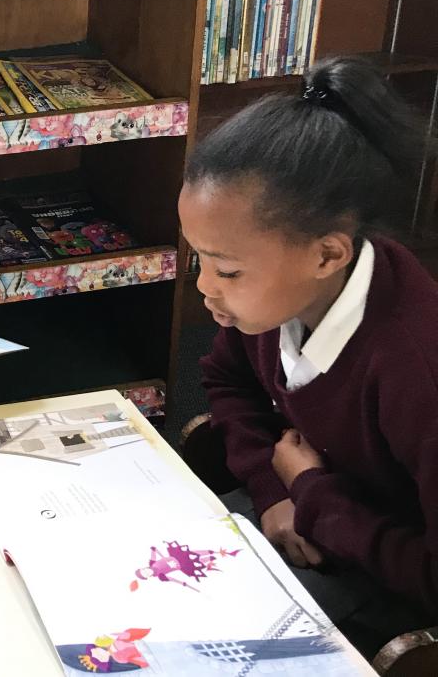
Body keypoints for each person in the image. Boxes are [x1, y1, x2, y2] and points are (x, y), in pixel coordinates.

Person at [179, 57, 438, 654]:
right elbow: (225, 377)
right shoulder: (273, 302)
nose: (204, 287)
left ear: (327, 256)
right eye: (200, 261)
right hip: (308, 519)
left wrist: (314, 495)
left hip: (391, 587)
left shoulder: (416, 371)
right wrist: (275, 491)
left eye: (228, 269)